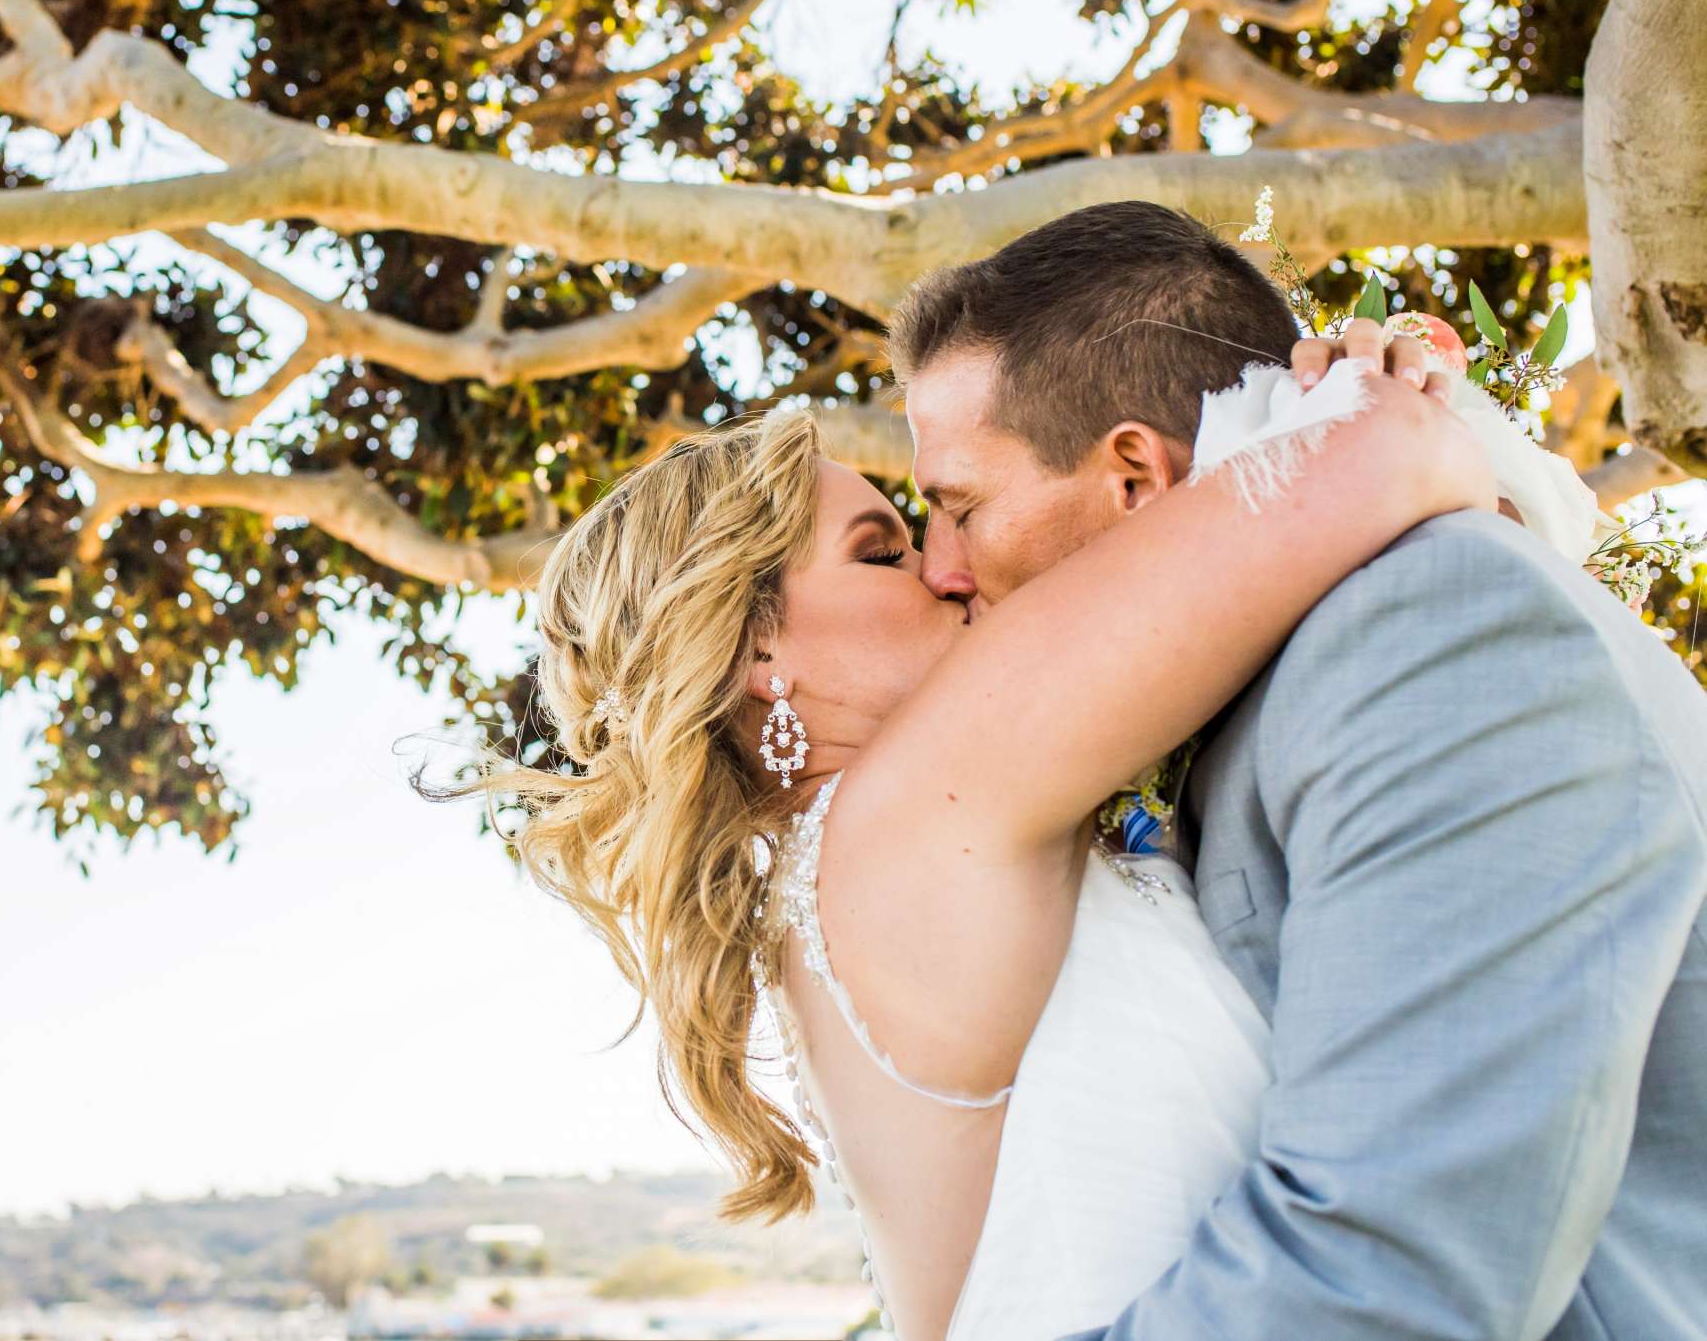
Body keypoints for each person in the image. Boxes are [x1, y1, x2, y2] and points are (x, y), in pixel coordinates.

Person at [470, 315, 1495, 1335]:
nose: (949, 570)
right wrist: (1374, 382)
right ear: (758, 654)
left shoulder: (853, 866)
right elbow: (1389, 453)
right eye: (884, 554)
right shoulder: (906, 817)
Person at [889, 200, 1707, 1340]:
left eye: (958, 507)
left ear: (1133, 474)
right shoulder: (1267, 694)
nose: (938, 570)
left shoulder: (1433, 626)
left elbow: (1387, 1271)